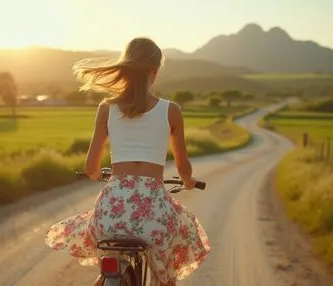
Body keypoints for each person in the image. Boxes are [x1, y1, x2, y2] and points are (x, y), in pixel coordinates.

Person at [44, 37, 210, 286]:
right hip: (152, 214)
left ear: (125, 68)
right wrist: (188, 181)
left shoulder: (106, 108)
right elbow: (184, 166)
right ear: (154, 72)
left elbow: (91, 167)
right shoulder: (171, 110)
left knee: (107, 268)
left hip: (110, 213)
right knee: (167, 280)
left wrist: (94, 173)